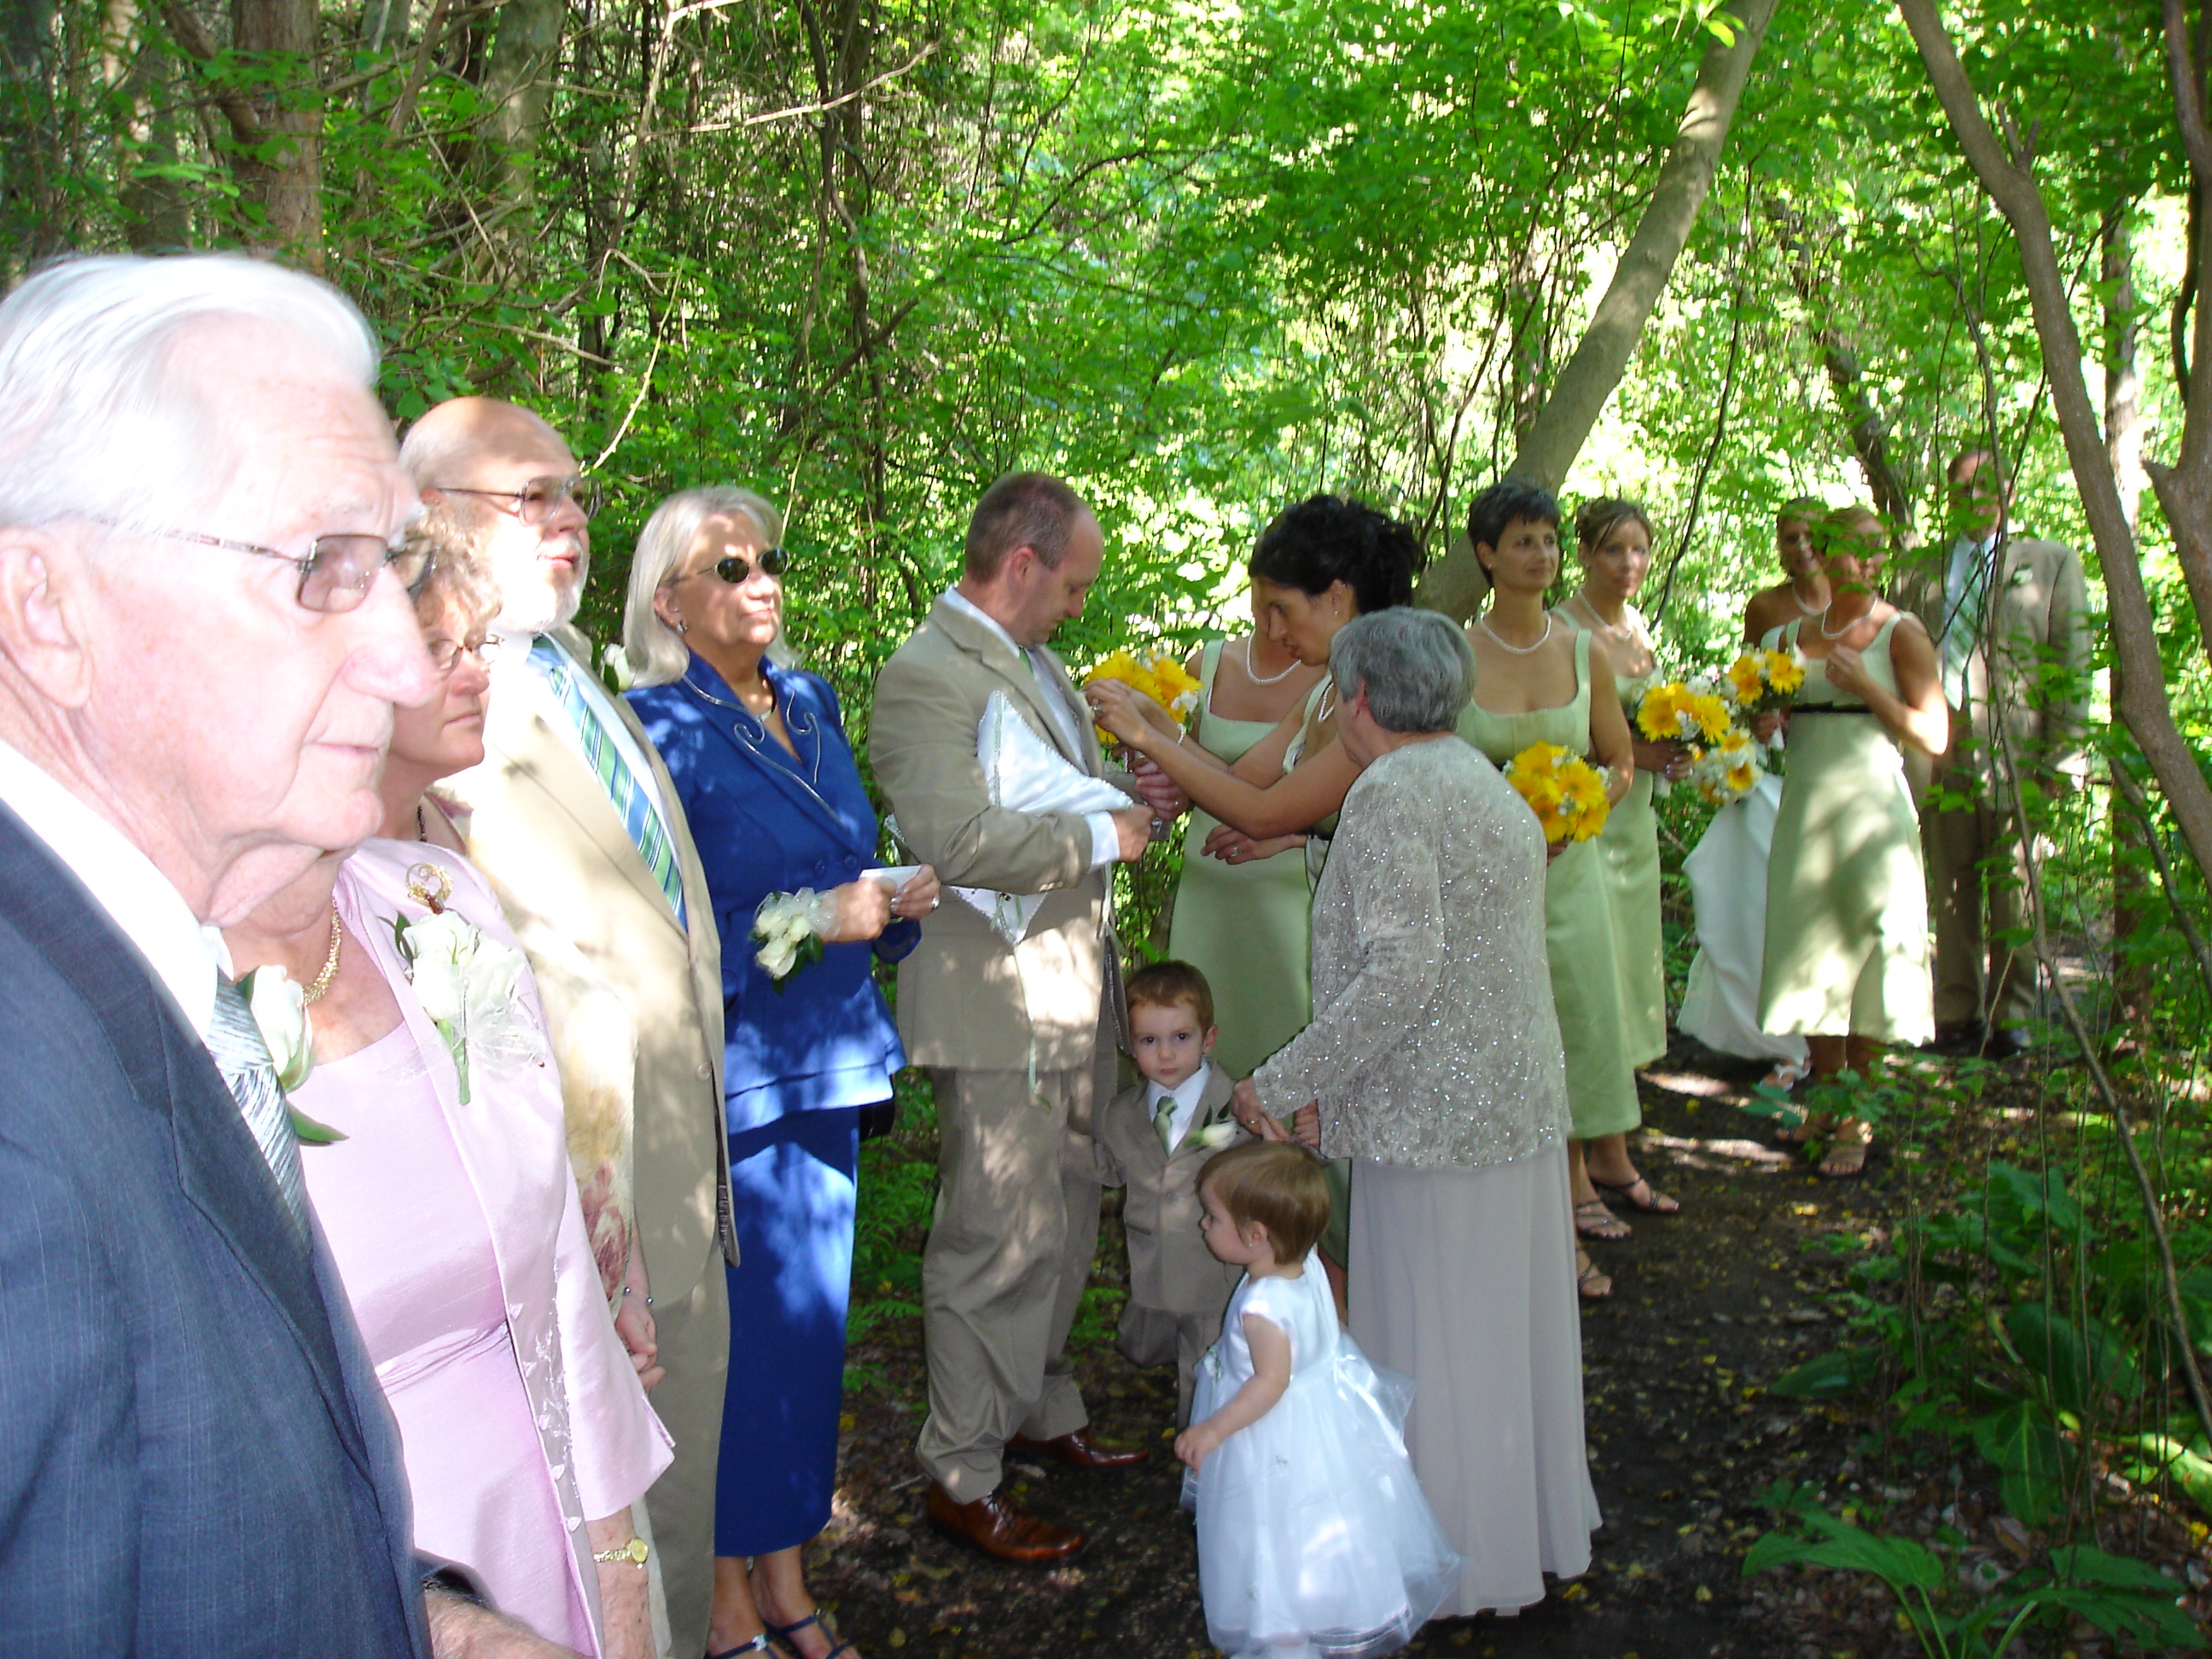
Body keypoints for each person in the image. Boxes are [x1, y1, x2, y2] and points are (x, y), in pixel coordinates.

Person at [0, 252, 574, 1656]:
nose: (403, 662)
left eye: (387, 565)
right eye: (320, 566)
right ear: (45, 606)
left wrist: (433, 1624)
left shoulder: (130, 961)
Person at [224, 538, 672, 1652]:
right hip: (346, 1585)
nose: (415, 680)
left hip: (557, 1536)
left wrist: (620, 1591)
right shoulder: (149, 1013)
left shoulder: (438, 905)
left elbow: (561, 1289)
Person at [405, 397, 735, 1651]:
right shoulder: (423, 707)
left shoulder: (570, 669)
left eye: (575, 493)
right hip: (565, 1213)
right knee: (604, 1549)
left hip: (678, 1170)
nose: (569, 518)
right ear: (428, 514)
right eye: (528, 495)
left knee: (678, 1500)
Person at [1228, 608, 1599, 1615]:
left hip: (1437, 1126)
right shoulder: (1483, 780)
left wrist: (1286, 1079)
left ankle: (1449, 1561)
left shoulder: (1391, 793)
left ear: (1356, 698)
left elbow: (1400, 975)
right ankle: (1515, 1537)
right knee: (1496, 1340)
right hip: (1507, 1107)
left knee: (1438, 1347)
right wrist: (1337, 1091)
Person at [622, 486, 940, 1659]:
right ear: (669, 602)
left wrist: (891, 901)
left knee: (808, 1340)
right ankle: (723, 1601)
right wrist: (818, 918)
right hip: (739, 1079)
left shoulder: (811, 701)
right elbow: (666, 925)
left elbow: (845, 859)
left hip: (835, 1062)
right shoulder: (651, 729)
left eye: (769, 561)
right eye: (729, 567)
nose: (760, 582)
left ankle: (789, 1578)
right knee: (739, 1352)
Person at [870, 472, 1175, 1563]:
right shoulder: (925, 675)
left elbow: (1055, 799)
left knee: (1065, 1209)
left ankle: (1038, 1407)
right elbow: (955, 840)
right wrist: (1103, 837)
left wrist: (1126, 802)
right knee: (992, 1233)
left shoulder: (1035, 665)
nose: (1078, 607)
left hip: (1072, 989)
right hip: (995, 1003)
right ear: (1021, 564)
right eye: (1073, 586)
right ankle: (963, 1470)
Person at [1085, 493, 1425, 1289]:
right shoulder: (1327, 689)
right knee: (1275, 1121)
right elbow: (1242, 782)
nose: (1270, 629)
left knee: (1319, 1122)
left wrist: (1149, 736)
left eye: (1282, 609)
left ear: (1336, 597)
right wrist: (1158, 728)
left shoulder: (1370, 694)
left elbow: (1266, 809)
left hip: (1349, 942)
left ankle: (1353, 1298)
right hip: (1284, 915)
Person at [1453, 480, 1664, 1284]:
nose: (1540, 555)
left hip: (1570, 874)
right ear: (1487, 554)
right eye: (1522, 541)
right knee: (1501, 1035)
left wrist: (1578, 813)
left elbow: (1619, 760)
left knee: (1575, 1023)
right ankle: (1512, 1213)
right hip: (1483, 878)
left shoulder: (1585, 651)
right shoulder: (1456, 653)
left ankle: (1572, 1192)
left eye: (1547, 540)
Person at [1176, 1142, 1461, 1659]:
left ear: (1256, 1235)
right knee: (1320, 1524)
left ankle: (1284, 1635)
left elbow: (1269, 1384)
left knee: (1271, 1534)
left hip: (1270, 1438)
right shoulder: (1304, 1263)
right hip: (1324, 1426)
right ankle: (1320, 1612)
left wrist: (1213, 1429)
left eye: (1213, 1217)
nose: (1203, 1225)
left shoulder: (1261, 1308)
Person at [1757, 504, 1948, 1178]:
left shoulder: (1901, 632)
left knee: (1869, 961)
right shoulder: (1786, 637)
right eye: (1850, 547)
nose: (1865, 561)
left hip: (1873, 817)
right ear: (1822, 550)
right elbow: (1763, 721)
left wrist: (1867, 685)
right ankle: (1827, 1094)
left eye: (1876, 549)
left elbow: (1934, 735)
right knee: (1809, 954)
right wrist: (1762, 718)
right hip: (1806, 812)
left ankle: (1857, 1113)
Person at [1892, 450, 2092, 1057]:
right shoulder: (1917, 571)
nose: (1972, 499)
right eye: (1960, 489)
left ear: (2007, 495)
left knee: (2015, 890)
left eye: (1985, 487)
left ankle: (2012, 1016)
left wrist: (2062, 758)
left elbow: (2072, 661)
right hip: (1936, 746)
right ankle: (1956, 1014)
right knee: (1950, 886)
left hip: (2018, 751)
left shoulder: (2050, 563)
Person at [1676, 499, 1824, 1086]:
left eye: (1810, 536)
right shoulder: (1766, 606)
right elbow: (1747, 682)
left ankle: (1825, 1034)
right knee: (1759, 894)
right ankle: (1774, 1032)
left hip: (1828, 762)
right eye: (1789, 537)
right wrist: (1761, 717)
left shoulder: (1856, 604)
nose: (1801, 547)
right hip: (1774, 765)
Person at [1163, 587, 1327, 1081]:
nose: (1271, 618)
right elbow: (1186, 789)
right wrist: (1157, 781)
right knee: (1198, 1033)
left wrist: (1155, 734)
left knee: (1291, 1042)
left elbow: (1344, 797)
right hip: (1209, 889)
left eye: (1285, 602)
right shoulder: (1205, 666)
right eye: (1263, 596)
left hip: (1291, 891)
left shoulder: (1334, 676)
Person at [1092, 959, 1248, 1423]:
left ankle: (1200, 1452)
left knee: (1206, 1372)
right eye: (1148, 1041)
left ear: (1208, 1039)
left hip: (1214, 1275)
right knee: (1146, 1345)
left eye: (1181, 1037)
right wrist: (1051, 1145)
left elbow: (1274, 1167)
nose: (1165, 1054)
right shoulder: (1121, 1113)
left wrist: (1312, 1146)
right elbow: (1109, 1167)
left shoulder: (1235, 1107)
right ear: (1130, 1045)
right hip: (1151, 1270)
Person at [1560, 497, 1676, 1074]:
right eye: (1612, 550)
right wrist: (1635, 753)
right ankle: (1587, 1060)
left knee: (1631, 933)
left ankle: (1628, 1059)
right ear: (1583, 554)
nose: (1629, 563)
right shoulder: (1562, 628)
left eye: (1639, 550)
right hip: (1586, 806)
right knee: (1589, 938)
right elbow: (1553, 729)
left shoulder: (1637, 628)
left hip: (1636, 810)